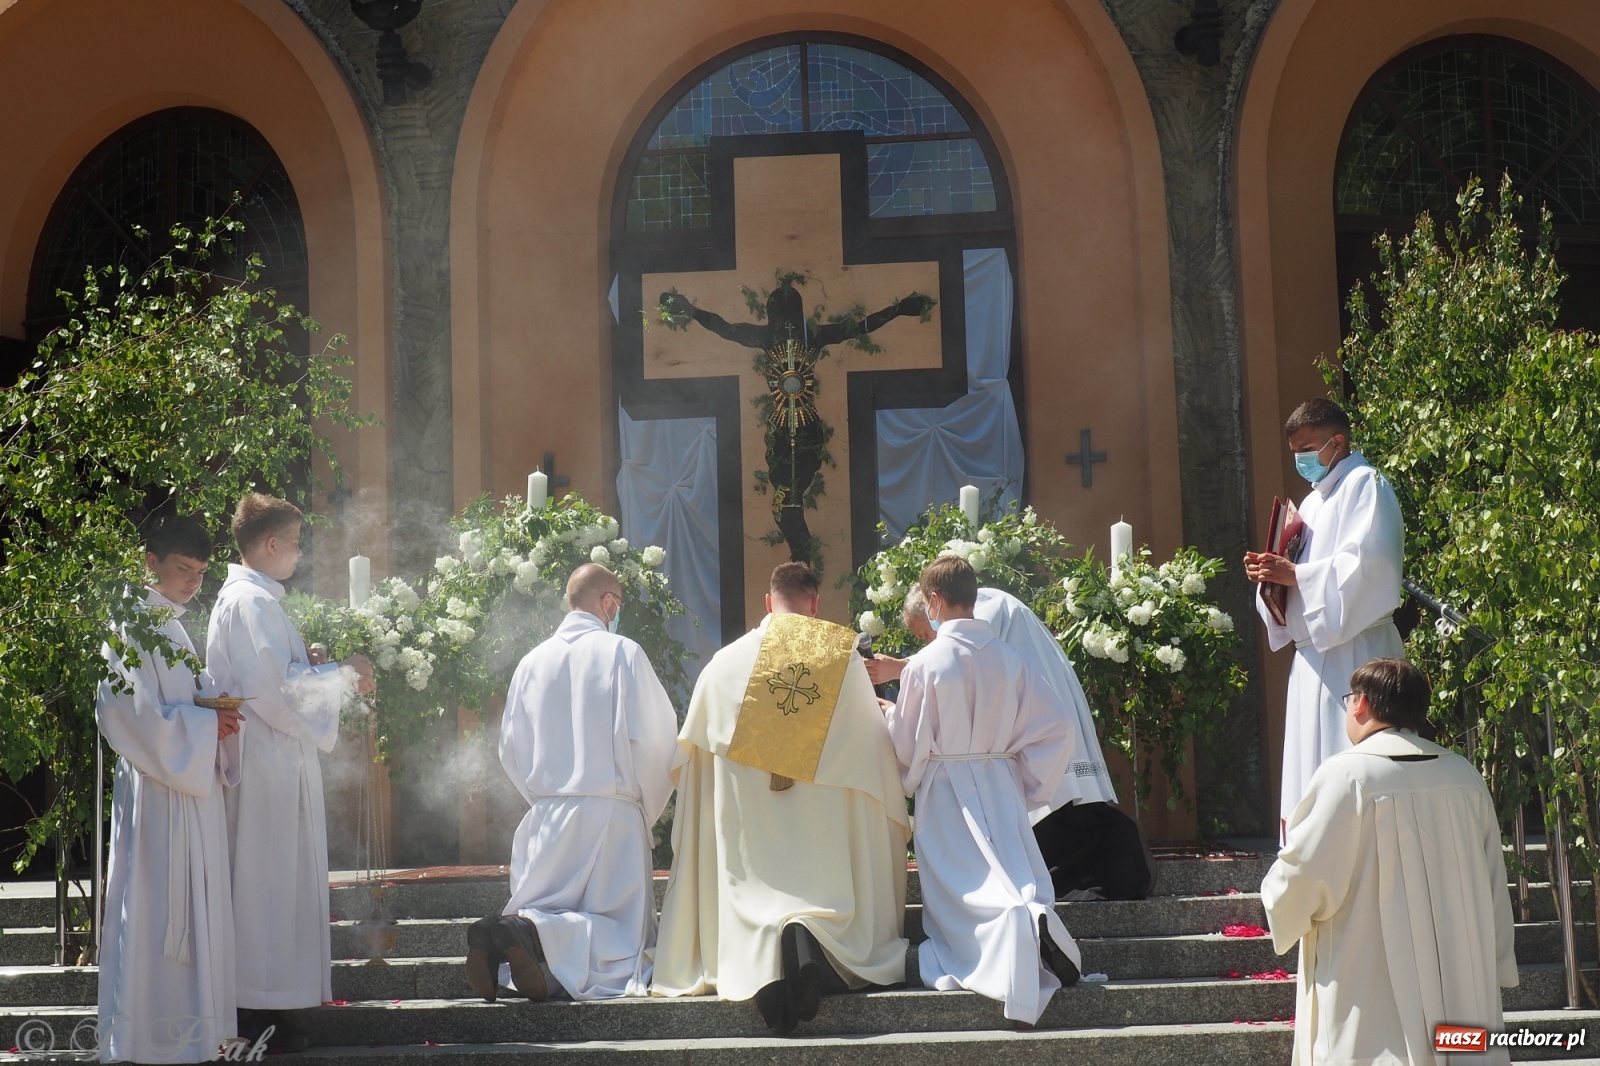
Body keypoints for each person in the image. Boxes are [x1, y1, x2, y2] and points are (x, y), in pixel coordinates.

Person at [651, 562, 910, 1035]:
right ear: (815, 603)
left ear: (768, 603)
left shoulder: (723, 664)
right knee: (824, 887)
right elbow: (874, 759)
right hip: (821, 835)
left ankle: (760, 957)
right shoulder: (841, 657)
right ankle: (808, 938)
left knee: (752, 892)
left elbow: (694, 769)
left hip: (750, 833)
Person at [1262, 659, 1517, 1065]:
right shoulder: (1463, 775)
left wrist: (1279, 892)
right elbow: (1492, 881)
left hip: (1366, 975)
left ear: (1360, 704)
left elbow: (1304, 876)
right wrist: (1498, 958)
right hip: (1458, 971)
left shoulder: (1347, 775)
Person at [204, 494, 373, 1051]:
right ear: (271, 544)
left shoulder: (257, 602)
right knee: (264, 883)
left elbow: (284, 675)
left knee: (276, 883)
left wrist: (319, 665)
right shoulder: (250, 603)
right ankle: (258, 1011)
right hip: (265, 767)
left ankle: (276, 1003)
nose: (300, 555)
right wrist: (344, 674)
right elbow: (275, 694)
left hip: (276, 760)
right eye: (296, 543)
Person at [465, 563, 679, 1002]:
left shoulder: (531, 662)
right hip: (611, 815)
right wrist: (642, 805)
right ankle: (527, 931)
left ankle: (520, 937)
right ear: (608, 603)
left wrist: (545, 797)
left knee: (555, 906)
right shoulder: (623, 652)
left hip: (546, 817)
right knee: (619, 933)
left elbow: (510, 748)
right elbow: (657, 740)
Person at [884, 557, 1081, 1027]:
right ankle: (1030, 916)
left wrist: (885, 715)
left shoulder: (925, 664)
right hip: (1000, 782)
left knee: (963, 888)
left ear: (932, 601)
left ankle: (1014, 929)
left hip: (946, 787)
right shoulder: (1011, 660)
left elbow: (908, 742)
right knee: (1010, 873)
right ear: (973, 598)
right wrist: (1028, 784)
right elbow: (1057, 726)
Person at [869, 586, 1154, 900]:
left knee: (1060, 814)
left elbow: (967, 658)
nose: (927, 642)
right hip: (1026, 726)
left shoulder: (984, 604)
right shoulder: (974, 616)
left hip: (1026, 731)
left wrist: (899, 671)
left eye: (924, 634)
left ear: (933, 606)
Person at [97, 514, 244, 1064]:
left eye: (202, 573)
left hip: (189, 792)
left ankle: (198, 1037)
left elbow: (184, 702)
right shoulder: (130, 624)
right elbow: (127, 716)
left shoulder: (173, 625)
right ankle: (149, 1040)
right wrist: (206, 726)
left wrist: (217, 714)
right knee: (159, 907)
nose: (192, 583)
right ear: (149, 562)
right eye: (183, 569)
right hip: (158, 799)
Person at [1244, 397, 1404, 840]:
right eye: (1295, 451)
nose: (1301, 460)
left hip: (1357, 650)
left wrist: (1296, 574)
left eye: (1309, 448)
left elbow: (1371, 565)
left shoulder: (1365, 484)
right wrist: (1271, 579)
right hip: (1313, 659)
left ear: (1338, 441)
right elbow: (1297, 583)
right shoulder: (1311, 505)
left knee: (1352, 779)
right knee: (1309, 782)